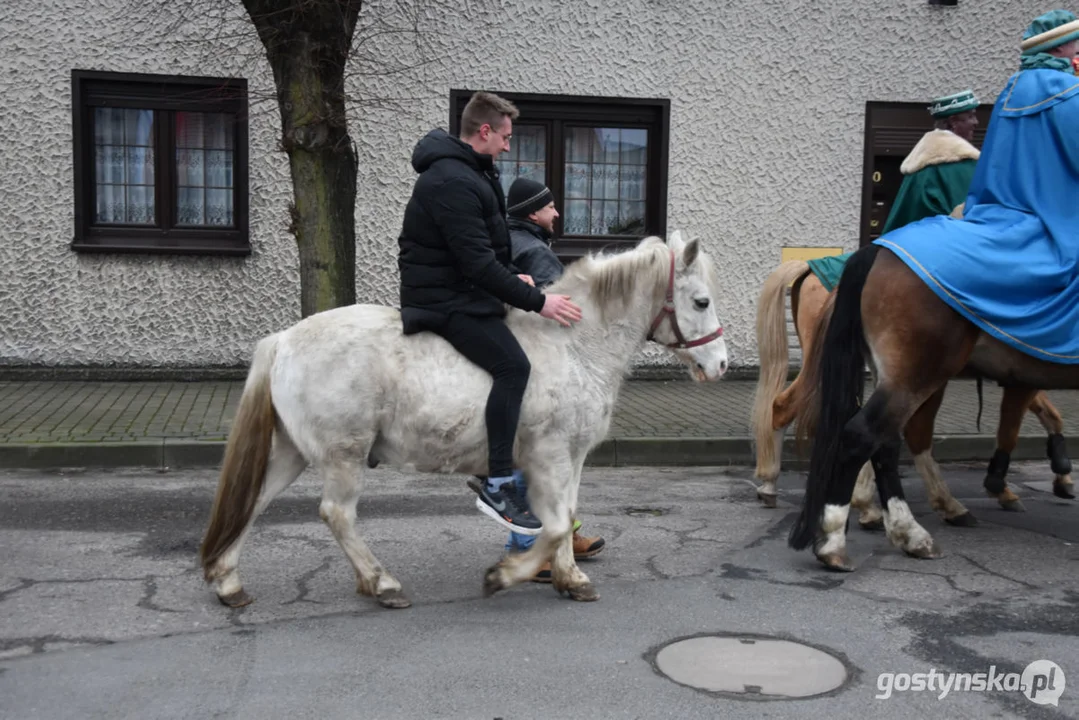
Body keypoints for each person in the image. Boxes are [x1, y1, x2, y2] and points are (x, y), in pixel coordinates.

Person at [396, 91, 583, 535]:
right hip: (443, 300)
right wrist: (541, 301)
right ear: (484, 131)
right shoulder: (451, 180)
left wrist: (514, 278)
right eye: (505, 136)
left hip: (461, 290)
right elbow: (475, 263)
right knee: (513, 366)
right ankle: (497, 481)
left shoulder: (470, 172)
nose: (507, 145)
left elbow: (484, 251)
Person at [873, 9, 1079, 365]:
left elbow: (994, 167)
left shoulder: (1010, 91)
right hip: (1054, 213)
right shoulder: (1070, 94)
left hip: (999, 210)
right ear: (1061, 47)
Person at [499, 177, 606, 581]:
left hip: (519, 359)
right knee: (540, 457)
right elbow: (560, 315)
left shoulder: (515, 240)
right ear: (532, 212)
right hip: (539, 368)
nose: (557, 213)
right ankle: (528, 548)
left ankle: (564, 533)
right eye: (550, 207)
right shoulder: (534, 252)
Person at [806, 88, 982, 292]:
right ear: (953, 121)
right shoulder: (962, 165)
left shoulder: (920, 162)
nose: (976, 123)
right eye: (970, 116)